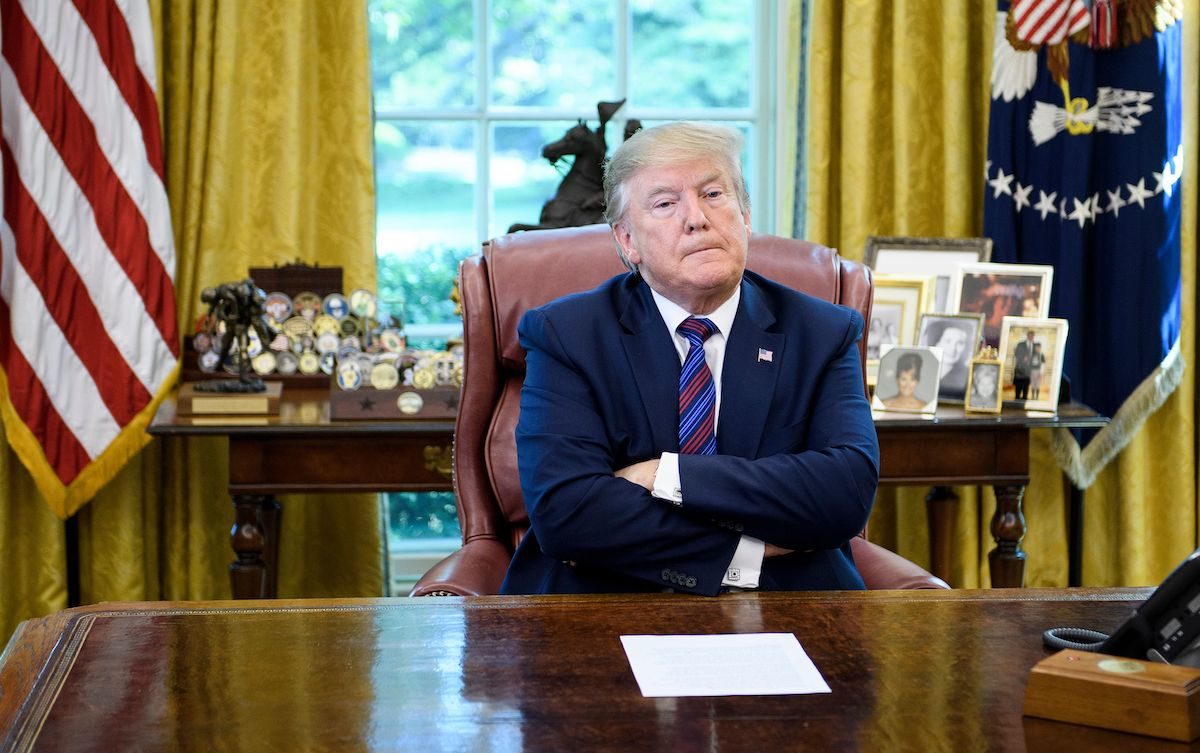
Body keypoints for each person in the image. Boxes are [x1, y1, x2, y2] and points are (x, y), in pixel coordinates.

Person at [500, 122, 879, 596]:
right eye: (664, 203)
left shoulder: (821, 333)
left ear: (745, 214)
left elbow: (844, 495)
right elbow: (568, 514)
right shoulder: (568, 335)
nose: (696, 218)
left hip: (790, 600)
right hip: (603, 599)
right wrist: (747, 552)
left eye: (714, 194)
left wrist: (666, 474)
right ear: (627, 241)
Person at [924, 320, 971, 399]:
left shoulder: (967, 375)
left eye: (960, 343)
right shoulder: (922, 369)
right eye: (947, 341)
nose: (953, 348)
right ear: (936, 342)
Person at [1012, 330, 1035, 400]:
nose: (1031, 337)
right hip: (1020, 367)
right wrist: (1023, 358)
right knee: (1019, 384)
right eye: (1030, 335)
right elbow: (1016, 353)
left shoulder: (1035, 345)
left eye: (1033, 336)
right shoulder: (1021, 344)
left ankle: (1024, 397)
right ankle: (1017, 397)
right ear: (1027, 336)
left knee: (1026, 384)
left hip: (1029, 369)